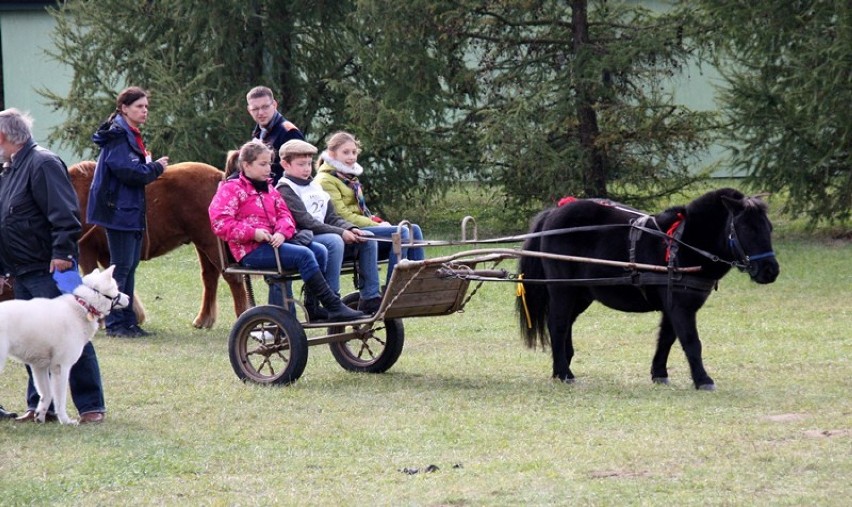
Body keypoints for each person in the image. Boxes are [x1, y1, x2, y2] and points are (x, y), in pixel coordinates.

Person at [0, 108, 106, 424]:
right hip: (23, 269)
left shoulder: (42, 163)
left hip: (52, 267)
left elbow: (64, 214)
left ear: (3, 137)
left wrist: (61, 254)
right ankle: (39, 406)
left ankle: (90, 406)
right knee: (33, 339)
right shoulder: (10, 169)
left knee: (74, 332)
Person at [209, 140, 364, 321]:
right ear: (246, 165)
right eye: (263, 164)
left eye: (269, 164)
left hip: (274, 243)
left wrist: (282, 232)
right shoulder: (231, 189)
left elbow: (286, 216)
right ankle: (334, 306)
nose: (268, 169)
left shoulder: (269, 189)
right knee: (304, 255)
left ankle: (313, 307)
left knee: (320, 251)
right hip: (250, 250)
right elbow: (220, 222)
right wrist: (254, 233)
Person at [87, 86, 169, 338]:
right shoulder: (119, 135)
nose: (144, 111)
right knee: (121, 267)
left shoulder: (128, 133)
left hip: (128, 210)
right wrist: (155, 168)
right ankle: (116, 324)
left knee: (129, 265)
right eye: (139, 107)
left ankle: (128, 322)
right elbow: (127, 171)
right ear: (124, 108)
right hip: (119, 211)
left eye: (146, 107)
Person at [276, 139, 383, 315]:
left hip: (325, 233)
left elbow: (332, 217)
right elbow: (306, 222)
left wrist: (350, 228)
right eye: (301, 164)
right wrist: (341, 232)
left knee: (367, 236)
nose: (306, 169)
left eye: (309, 164)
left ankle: (370, 297)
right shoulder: (285, 189)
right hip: (303, 237)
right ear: (285, 164)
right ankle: (331, 300)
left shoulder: (315, 186)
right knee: (335, 241)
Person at [314, 131, 425, 286]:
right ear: (332, 155)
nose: (351, 157)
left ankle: (419, 282)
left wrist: (376, 220)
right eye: (345, 152)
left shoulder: (348, 178)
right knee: (401, 232)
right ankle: (394, 288)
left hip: (361, 226)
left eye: (354, 152)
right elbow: (342, 215)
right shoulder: (326, 180)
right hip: (346, 233)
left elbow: (361, 210)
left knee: (414, 229)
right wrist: (377, 225)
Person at [246, 86, 305, 184]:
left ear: (274, 105)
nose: (260, 112)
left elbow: (300, 172)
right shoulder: (258, 133)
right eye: (255, 109)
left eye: (265, 107)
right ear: (249, 110)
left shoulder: (289, 133)